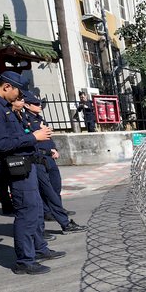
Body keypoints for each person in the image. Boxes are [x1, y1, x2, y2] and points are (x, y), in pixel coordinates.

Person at [0, 70, 64, 275]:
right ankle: (25, 261)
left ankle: (39, 249)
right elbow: (2, 144)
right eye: (17, 92)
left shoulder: (3, 105)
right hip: (16, 167)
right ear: (7, 86)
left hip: (27, 164)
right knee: (26, 212)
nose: (19, 97)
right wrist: (34, 136)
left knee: (34, 210)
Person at [22, 91, 86, 234]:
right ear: (27, 105)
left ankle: (55, 211)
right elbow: (31, 140)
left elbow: (47, 138)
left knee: (55, 187)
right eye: (36, 104)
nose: (40, 106)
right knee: (48, 192)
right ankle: (64, 222)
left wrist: (53, 148)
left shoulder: (39, 119)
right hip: (37, 159)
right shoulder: (24, 120)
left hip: (48, 157)